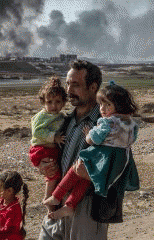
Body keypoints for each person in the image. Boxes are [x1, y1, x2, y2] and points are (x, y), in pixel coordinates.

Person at [38, 60, 138, 240]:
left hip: (88, 208)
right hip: (57, 202)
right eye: (67, 83)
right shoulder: (65, 121)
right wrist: (44, 164)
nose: (68, 91)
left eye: (75, 85)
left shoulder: (111, 125)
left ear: (93, 87)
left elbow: (123, 165)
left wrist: (93, 175)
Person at [28, 77, 67, 210]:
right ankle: (48, 199)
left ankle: (52, 198)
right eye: (49, 102)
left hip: (50, 150)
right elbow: (37, 132)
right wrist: (54, 137)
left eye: (57, 102)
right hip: (40, 150)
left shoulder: (61, 116)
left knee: (55, 175)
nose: (53, 106)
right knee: (52, 173)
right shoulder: (42, 116)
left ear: (63, 103)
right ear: (43, 102)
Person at [0, 171, 29, 240]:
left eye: (0, 186)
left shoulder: (13, 210)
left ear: (9, 191)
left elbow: (6, 232)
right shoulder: (2, 201)